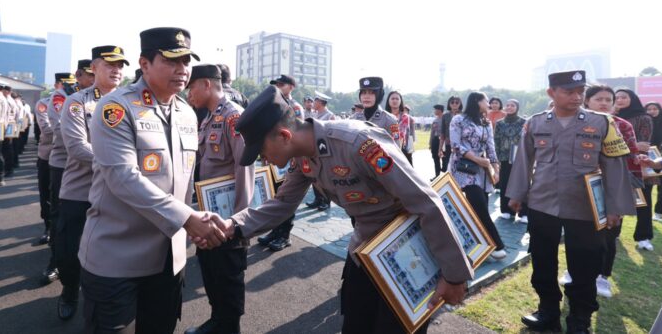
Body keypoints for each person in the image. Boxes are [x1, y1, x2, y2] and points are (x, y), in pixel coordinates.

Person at [203, 85, 474, 334]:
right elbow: (282, 204)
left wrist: (454, 275)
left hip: (408, 251)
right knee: (355, 324)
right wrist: (233, 225)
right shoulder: (302, 157)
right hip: (364, 252)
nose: (262, 158)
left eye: (261, 149)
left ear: (285, 136)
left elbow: (424, 201)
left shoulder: (358, 143)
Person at [78, 27, 226, 334]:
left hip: (169, 260)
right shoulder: (115, 108)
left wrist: (197, 218)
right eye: (172, 61)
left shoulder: (186, 112)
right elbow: (122, 177)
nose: (182, 69)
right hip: (118, 258)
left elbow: (183, 180)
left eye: (186, 61)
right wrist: (187, 218)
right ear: (144, 64)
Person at [507, 70, 634, 333]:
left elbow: (614, 167)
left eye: (581, 91)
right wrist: (517, 194)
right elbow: (523, 161)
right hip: (543, 204)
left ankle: (579, 320)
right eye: (569, 91)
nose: (577, 97)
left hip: (585, 207)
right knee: (542, 261)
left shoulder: (603, 123)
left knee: (585, 265)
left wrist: (614, 207)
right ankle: (547, 312)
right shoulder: (535, 122)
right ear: (551, 93)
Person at [54, 46, 128, 320]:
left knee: (112, 248)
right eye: (110, 64)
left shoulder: (130, 101)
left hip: (116, 190)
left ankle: (102, 296)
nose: (117, 69)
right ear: (94, 68)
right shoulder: (77, 102)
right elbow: (76, 148)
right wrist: (119, 165)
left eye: (121, 64)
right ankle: (70, 291)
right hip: (80, 190)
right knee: (69, 251)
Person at [185, 64, 255, 334]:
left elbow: (244, 168)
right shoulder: (209, 117)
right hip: (209, 212)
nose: (189, 93)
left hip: (228, 217)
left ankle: (228, 326)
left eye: (192, 87)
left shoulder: (232, 117)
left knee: (227, 277)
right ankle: (217, 322)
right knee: (210, 269)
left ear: (205, 84)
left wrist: (238, 222)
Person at [578, 85, 643, 299]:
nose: (604, 103)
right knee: (579, 232)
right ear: (587, 101)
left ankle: (602, 276)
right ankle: (574, 270)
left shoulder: (622, 126)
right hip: (581, 187)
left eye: (608, 99)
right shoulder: (575, 123)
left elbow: (632, 159)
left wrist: (627, 191)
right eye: (599, 99)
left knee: (609, 233)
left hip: (613, 187)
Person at [448, 92, 507, 260]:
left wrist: (495, 169)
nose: (489, 103)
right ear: (476, 101)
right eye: (486, 100)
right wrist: (476, 159)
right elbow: (455, 145)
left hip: (482, 170)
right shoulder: (458, 120)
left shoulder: (486, 122)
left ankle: (480, 246)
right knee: (479, 205)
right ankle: (497, 245)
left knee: (482, 206)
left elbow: (491, 147)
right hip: (463, 168)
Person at [256, 74, 304, 252]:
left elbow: (297, 134)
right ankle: (275, 231)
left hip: (289, 161)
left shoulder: (295, 107)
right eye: (276, 84)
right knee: (275, 196)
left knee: (287, 197)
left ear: (291, 86)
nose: (277, 86)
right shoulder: (272, 106)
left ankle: (284, 235)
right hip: (274, 158)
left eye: (281, 84)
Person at [40, 71, 79, 286]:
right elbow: (59, 131)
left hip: (95, 169)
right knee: (60, 217)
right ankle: (56, 263)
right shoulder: (61, 99)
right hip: (64, 163)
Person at [614, 88, 655, 251]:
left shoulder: (644, 118)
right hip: (615, 165)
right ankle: (614, 233)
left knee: (643, 202)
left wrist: (631, 148)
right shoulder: (610, 118)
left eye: (624, 97)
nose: (620, 100)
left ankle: (643, 237)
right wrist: (631, 145)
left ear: (633, 99)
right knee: (617, 200)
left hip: (638, 165)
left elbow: (643, 145)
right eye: (616, 97)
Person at [494, 99, 527, 223]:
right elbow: (496, 140)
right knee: (505, 184)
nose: (509, 107)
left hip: (520, 158)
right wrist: (496, 158)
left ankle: (523, 212)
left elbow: (527, 139)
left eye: (512, 105)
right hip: (504, 157)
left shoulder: (524, 122)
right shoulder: (500, 123)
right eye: (507, 105)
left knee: (521, 184)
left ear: (517, 107)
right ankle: (507, 211)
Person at [304, 91, 336, 211]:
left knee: (325, 177)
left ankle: (326, 201)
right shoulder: (315, 115)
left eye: (315, 101)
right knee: (315, 176)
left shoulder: (330, 116)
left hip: (325, 150)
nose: (313, 103)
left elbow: (331, 134)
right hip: (314, 150)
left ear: (321, 103)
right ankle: (317, 199)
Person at [351, 77, 401, 146]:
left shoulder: (390, 120)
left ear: (379, 95)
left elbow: (396, 149)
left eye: (371, 93)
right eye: (363, 92)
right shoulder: (353, 119)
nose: (366, 96)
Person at [33, 89, 54, 244]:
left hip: (73, 159)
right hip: (48, 155)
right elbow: (46, 129)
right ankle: (48, 227)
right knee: (46, 194)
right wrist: (72, 128)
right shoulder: (44, 104)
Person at [645, 102, 662, 222]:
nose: (652, 111)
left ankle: (659, 212)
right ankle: (646, 213)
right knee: (647, 186)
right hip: (647, 156)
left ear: (660, 110)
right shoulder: (644, 123)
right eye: (649, 109)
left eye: (655, 109)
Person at [385, 90, 412, 164]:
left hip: (399, 148)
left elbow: (401, 133)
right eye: (392, 98)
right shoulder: (383, 115)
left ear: (400, 101)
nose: (395, 101)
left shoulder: (404, 116)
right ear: (388, 100)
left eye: (397, 99)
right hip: (385, 147)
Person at [439, 95, 463, 167]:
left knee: (461, 165)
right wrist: (440, 149)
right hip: (448, 143)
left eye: (457, 102)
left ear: (460, 104)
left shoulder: (464, 115)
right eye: (452, 102)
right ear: (449, 104)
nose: (454, 104)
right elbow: (442, 133)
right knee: (448, 164)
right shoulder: (445, 116)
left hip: (462, 144)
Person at [429, 104, 445, 179]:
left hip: (444, 141)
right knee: (435, 158)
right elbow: (432, 132)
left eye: (436, 109)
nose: (434, 111)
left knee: (444, 157)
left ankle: (445, 172)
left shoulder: (445, 119)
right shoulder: (435, 120)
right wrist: (430, 143)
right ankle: (437, 175)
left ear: (440, 110)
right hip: (435, 140)